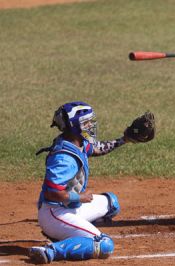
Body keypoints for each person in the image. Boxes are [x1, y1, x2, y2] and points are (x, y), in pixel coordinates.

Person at [29, 101, 155, 263]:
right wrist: (79, 198)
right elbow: (51, 193)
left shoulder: (77, 143)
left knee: (111, 203)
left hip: (70, 208)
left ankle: (72, 233)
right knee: (104, 244)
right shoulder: (64, 159)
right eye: (86, 122)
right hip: (55, 214)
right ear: (74, 126)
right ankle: (51, 251)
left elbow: (97, 148)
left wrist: (124, 140)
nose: (91, 125)